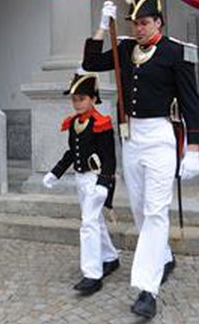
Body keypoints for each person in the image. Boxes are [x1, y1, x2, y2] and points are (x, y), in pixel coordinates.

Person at [82, 0, 199, 318]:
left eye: (144, 22)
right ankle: (162, 256)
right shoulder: (124, 49)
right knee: (139, 209)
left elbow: (192, 103)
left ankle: (147, 289)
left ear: (158, 22)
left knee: (154, 211)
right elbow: (90, 63)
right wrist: (102, 27)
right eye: (135, 22)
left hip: (161, 136)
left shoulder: (175, 52)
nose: (138, 28)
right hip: (131, 139)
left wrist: (191, 146)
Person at [42, 72, 119, 296]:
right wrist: (54, 173)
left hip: (96, 179)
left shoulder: (101, 123)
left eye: (82, 98)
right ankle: (111, 258)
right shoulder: (74, 122)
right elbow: (70, 153)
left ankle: (92, 274)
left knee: (88, 224)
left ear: (93, 99)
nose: (77, 103)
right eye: (74, 99)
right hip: (81, 180)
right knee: (95, 221)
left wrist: (103, 184)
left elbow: (110, 158)